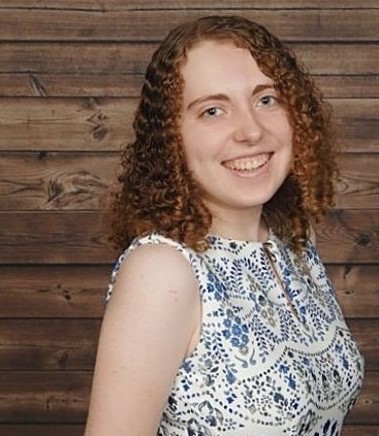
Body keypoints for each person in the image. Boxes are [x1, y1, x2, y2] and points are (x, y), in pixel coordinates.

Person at [85, 15, 364, 436]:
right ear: (171, 139)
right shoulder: (162, 270)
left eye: (267, 99)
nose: (250, 131)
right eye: (212, 111)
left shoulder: (293, 243)